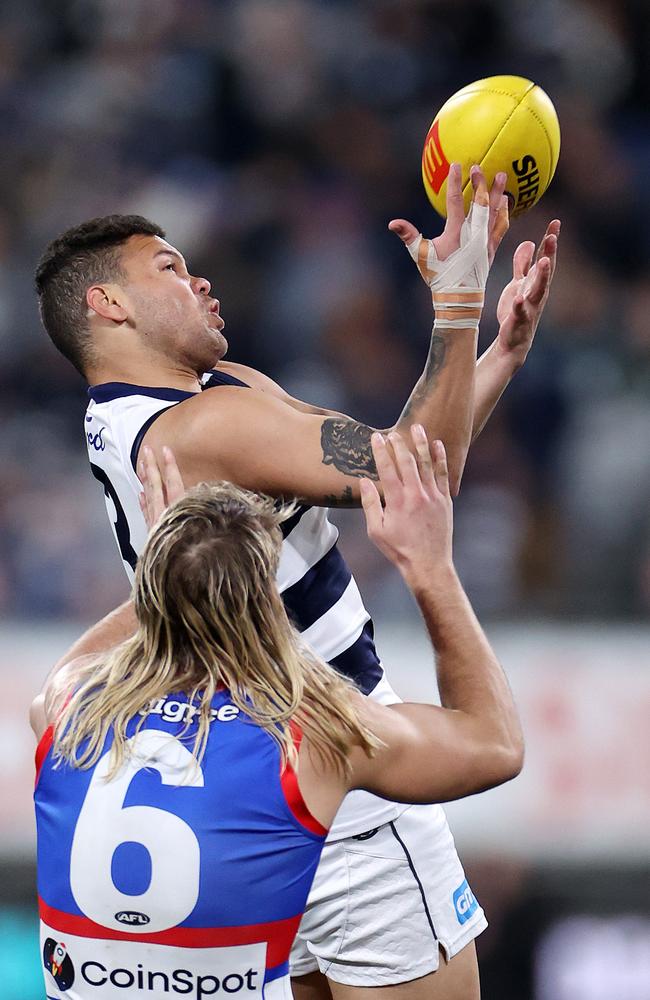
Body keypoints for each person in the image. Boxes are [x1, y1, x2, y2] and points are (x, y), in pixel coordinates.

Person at [35, 164, 559, 999]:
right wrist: (456, 310)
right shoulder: (210, 423)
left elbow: (409, 456)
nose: (198, 276)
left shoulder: (144, 413)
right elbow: (417, 471)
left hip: (247, 810)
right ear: (110, 306)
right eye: (168, 267)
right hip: (344, 784)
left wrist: (495, 358)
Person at [33, 432, 523, 1000]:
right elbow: (496, 746)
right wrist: (431, 568)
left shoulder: (67, 709)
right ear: (268, 602)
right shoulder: (310, 735)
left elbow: (74, 669)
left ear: (151, 591)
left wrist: (176, 559)